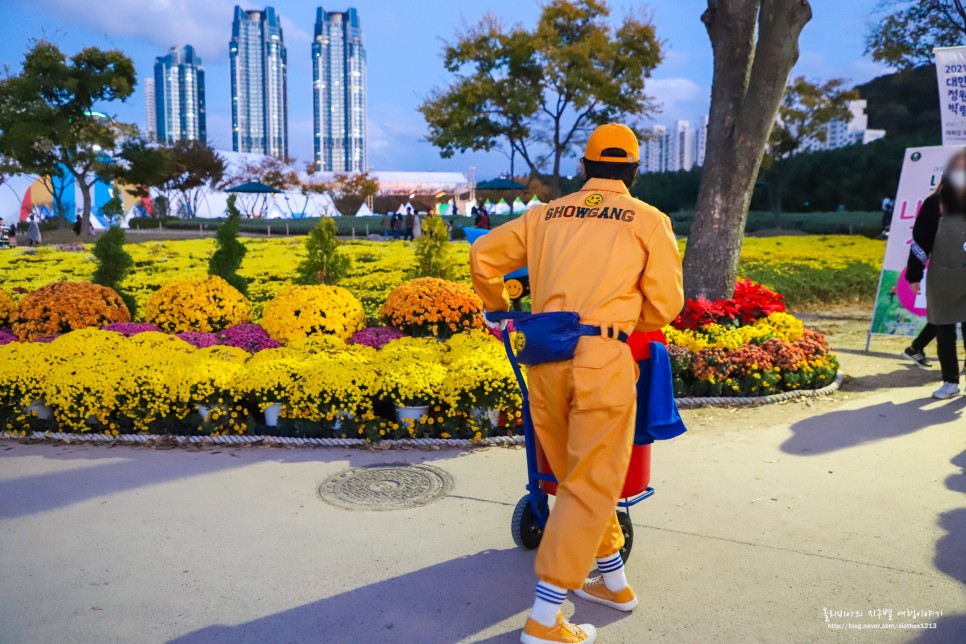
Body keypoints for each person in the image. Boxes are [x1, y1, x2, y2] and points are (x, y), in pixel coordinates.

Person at [470, 123, 683, 643]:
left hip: (545, 357)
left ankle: (614, 582)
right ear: (633, 171)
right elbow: (666, 306)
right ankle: (544, 621)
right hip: (602, 360)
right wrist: (630, 321)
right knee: (591, 484)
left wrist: (498, 310)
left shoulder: (543, 215)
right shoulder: (649, 220)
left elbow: (482, 255)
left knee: (577, 481)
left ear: (585, 168)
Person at [905, 148, 966, 399]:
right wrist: (914, 275)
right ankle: (950, 382)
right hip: (942, 277)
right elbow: (920, 240)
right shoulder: (934, 203)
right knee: (944, 331)